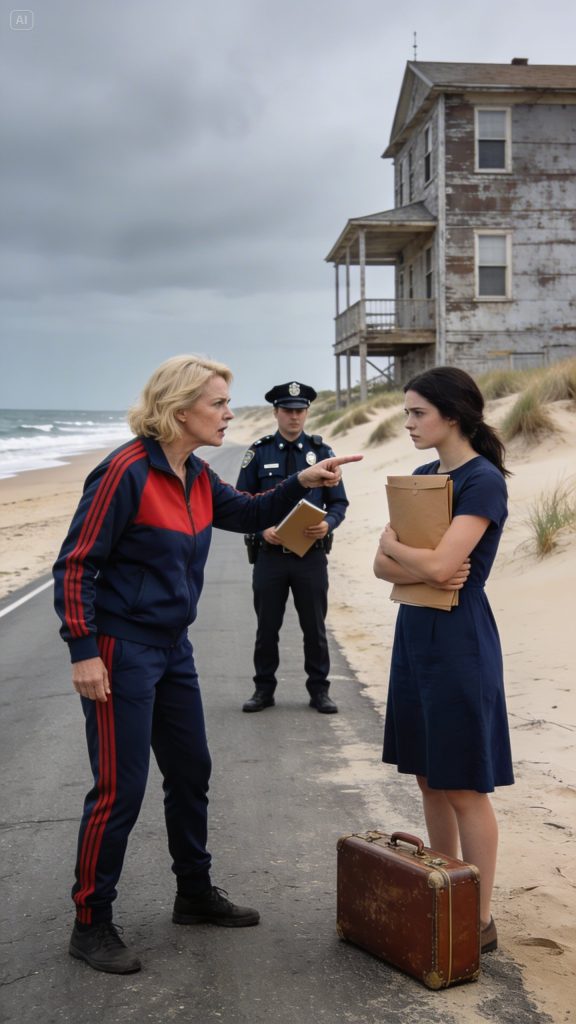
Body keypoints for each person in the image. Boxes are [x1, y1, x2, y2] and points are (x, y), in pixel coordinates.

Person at [53, 355, 360, 974]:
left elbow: (246, 512)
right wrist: (83, 649)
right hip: (120, 649)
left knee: (191, 771)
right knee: (119, 789)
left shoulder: (195, 473)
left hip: (174, 648)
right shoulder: (124, 472)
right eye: (218, 403)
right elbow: (76, 564)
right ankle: (91, 921)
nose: (228, 414)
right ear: (178, 408)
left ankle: (193, 893)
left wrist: (302, 482)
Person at [373, 366, 514, 955]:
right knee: (429, 776)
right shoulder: (424, 478)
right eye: (406, 412)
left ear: (452, 415)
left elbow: (439, 567)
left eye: (418, 413)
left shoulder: (482, 481)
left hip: (460, 637)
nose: (408, 423)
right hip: (415, 631)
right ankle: (443, 894)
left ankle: (477, 920)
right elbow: (383, 568)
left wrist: (400, 551)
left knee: (463, 783)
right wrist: (405, 558)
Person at [236, 381, 349, 715]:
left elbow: (339, 503)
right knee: (266, 629)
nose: (294, 416)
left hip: (310, 556)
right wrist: (262, 529)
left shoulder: (322, 453)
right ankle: (263, 690)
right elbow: (241, 503)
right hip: (269, 557)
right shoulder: (259, 452)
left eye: (300, 410)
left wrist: (328, 524)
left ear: (307, 413)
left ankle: (319, 691)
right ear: (276, 412)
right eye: (287, 410)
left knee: (314, 629)